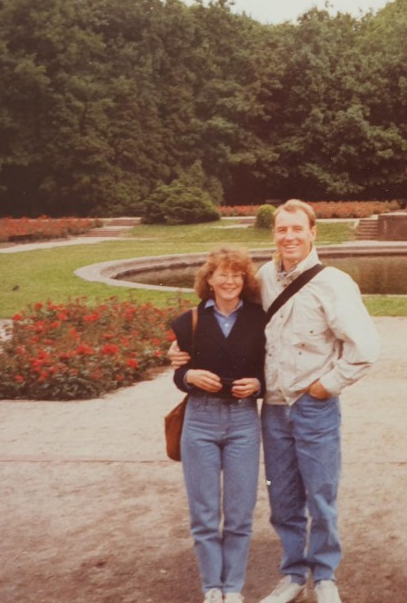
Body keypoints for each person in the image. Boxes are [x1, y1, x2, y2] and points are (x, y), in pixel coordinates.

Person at [257, 200, 380, 603]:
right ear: (273, 234)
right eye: (281, 229)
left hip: (314, 407)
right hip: (273, 408)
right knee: (283, 496)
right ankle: (294, 574)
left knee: (321, 494)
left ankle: (325, 576)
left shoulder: (334, 283)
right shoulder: (263, 278)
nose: (289, 237)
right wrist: (184, 345)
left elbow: (364, 348)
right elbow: (229, 321)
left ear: (313, 233)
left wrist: (327, 386)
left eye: (296, 229)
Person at [171, 246, 267, 603]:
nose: (229, 281)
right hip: (200, 421)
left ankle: (233, 587)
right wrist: (189, 375)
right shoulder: (188, 322)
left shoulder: (260, 320)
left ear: (245, 280)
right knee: (205, 513)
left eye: (237, 274)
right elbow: (179, 372)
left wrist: (260, 385)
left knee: (240, 512)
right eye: (222, 274)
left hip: (243, 420)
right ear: (208, 279)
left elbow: (270, 370)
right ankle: (212, 586)